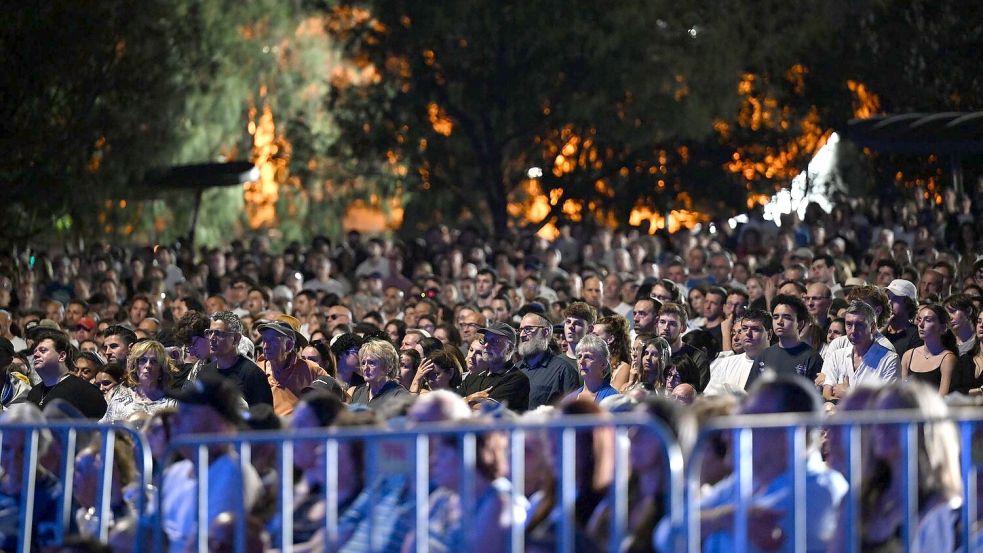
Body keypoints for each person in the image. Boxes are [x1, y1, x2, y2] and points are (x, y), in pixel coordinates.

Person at [677, 373, 847, 553]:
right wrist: (723, 518)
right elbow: (666, 534)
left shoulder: (820, 490)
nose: (729, 435)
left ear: (788, 429)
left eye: (751, 421)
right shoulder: (747, 479)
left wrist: (709, 522)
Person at [161, 374, 262, 553]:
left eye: (188, 413)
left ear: (219, 425)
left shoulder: (233, 474)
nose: (174, 420)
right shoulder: (175, 471)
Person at [858, 382, 962, 551]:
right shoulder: (866, 495)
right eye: (876, 418)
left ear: (924, 428)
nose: (879, 428)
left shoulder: (944, 506)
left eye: (891, 419)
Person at [0, 404, 62, 551]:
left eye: (23, 449)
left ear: (40, 448)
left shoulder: (54, 495)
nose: (13, 458)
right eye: (6, 448)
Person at [820, 301, 898, 402]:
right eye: (849, 324)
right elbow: (827, 395)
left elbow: (887, 403)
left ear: (873, 327)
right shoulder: (837, 355)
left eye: (860, 325)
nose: (853, 330)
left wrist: (848, 394)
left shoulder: (889, 360)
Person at [196, 311, 273, 407]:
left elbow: (264, 417)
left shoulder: (253, 374)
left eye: (218, 333)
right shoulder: (204, 372)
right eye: (210, 332)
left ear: (236, 339)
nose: (212, 338)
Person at [746, 294, 823, 389]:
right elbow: (750, 393)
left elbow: (814, 396)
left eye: (786, 317)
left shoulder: (811, 358)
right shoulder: (763, 356)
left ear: (800, 324)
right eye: (775, 317)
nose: (779, 322)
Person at [27, 329, 107, 418]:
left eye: (43, 350)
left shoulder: (84, 391)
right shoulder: (33, 393)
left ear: (61, 356)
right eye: (35, 351)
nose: (36, 355)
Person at [256, 320, 328, 416]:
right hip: (270, 428)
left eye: (273, 340)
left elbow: (335, 395)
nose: (265, 346)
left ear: (289, 345)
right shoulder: (257, 370)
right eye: (264, 340)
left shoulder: (310, 369)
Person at [458, 322, 530, 412]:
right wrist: (469, 399)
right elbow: (451, 404)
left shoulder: (516, 379)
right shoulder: (474, 376)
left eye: (494, 341)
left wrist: (462, 402)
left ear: (510, 348)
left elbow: (485, 410)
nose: (486, 345)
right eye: (486, 340)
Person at [100, 341, 177, 423]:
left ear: (162, 369)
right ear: (135, 366)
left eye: (154, 361)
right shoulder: (120, 400)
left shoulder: (171, 404)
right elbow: (103, 429)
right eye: (143, 360)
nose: (148, 365)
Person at [515, 311, 579, 409]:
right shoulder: (515, 369)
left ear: (546, 332)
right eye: (521, 330)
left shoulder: (563, 371)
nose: (522, 335)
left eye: (528, 329)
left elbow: (571, 413)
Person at [704, 309, 772, 396]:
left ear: (769, 334)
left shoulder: (779, 362)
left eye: (755, 329)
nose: (748, 333)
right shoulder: (726, 364)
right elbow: (709, 397)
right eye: (744, 328)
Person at [900, 304, 957, 395]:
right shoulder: (908, 355)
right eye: (919, 319)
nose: (921, 324)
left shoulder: (947, 359)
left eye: (928, 320)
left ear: (942, 327)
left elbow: (942, 398)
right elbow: (903, 394)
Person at [656, 302, 710, 392]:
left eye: (672, 324)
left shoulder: (697, 357)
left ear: (683, 328)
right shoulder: (650, 352)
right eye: (662, 322)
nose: (666, 327)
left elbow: (696, 392)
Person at [349, 338, 412, 412]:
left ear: (388, 367)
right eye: (363, 363)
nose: (365, 367)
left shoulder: (399, 395)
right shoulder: (358, 392)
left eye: (371, 363)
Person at [564, 333, 620, 404]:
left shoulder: (613, 398)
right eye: (579, 357)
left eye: (587, 357)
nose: (581, 362)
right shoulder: (568, 400)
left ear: (603, 364)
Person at [881, 279, 922, 358]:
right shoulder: (878, 330)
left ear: (908, 303)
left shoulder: (916, 335)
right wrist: (880, 332)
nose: (889, 302)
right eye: (888, 297)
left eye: (895, 298)